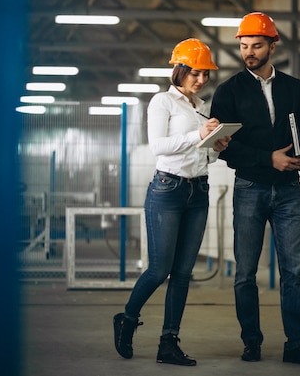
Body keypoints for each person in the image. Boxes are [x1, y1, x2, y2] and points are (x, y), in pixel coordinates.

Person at [210, 12, 300, 366]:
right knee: (245, 272)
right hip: (250, 186)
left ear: (273, 45)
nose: (249, 52)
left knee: (294, 272)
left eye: (257, 45)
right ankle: (252, 342)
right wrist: (266, 159)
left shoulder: (293, 88)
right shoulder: (228, 92)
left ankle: (296, 344)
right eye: (244, 46)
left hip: (289, 188)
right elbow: (223, 145)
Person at [113, 38, 231, 366]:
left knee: (183, 273)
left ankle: (169, 342)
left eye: (205, 74)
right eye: (195, 73)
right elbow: (158, 146)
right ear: (178, 70)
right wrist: (198, 135)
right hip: (167, 190)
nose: (201, 80)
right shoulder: (162, 102)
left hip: (199, 191)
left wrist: (215, 147)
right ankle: (127, 318)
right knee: (159, 268)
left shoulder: (201, 106)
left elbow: (201, 154)